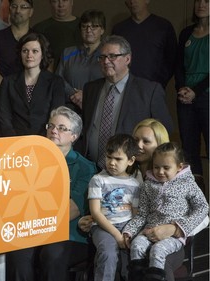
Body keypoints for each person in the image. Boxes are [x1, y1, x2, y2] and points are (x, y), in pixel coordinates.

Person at [78, 118, 188, 281]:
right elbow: (101, 208)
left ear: (160, 145)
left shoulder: (174, 177)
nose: (139, 146)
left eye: (146, 141)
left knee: (156, 261)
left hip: (167, 238)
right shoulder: (123, 174)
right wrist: (88, 218)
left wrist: (174, 228)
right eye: (136, 140)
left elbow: (202, 215)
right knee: (115, 255)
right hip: (129, 230)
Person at [6, 106, 97, 281]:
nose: (54, 131)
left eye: (62, 128)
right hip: (31, 230)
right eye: (51, 126)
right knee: (18, 255)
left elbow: (71, 210)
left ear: (74, 136)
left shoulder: (85, 168)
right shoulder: (30, 160)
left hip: (68, 233)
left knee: (52, 254)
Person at [81, 35, 173, 170]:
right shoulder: (90, 88)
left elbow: (164, 132)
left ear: (127, 59)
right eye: (102, 57)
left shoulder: (149, 91)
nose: (106, 61)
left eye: (112, 56)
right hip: (90, 168)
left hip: (131, 172)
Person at [123, 142, 209, 281]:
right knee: (137, 244)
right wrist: (129, 231)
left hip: (173, 237)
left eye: (166, 167)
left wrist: (180, 227)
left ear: (179, 167)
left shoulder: (187, 183)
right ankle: (136, 276)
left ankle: (155, 278)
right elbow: (142, 214)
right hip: (149, 231)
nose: (160, 171)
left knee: (158, 250)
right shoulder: (148, 185)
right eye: (156, 167)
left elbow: (203, 207)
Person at [88, 134, 140, 281]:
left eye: (118, 159)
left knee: (136, 252)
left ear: (131, 160)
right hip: (102, 226)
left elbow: (135, 214)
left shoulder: (135, 185)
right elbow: (96, 212)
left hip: (127, 226)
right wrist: (117, 236)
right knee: (108, 253)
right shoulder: (98, 180)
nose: (111, 163)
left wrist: (130, 232)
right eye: (109, 157)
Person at [0, 32, 65, 137]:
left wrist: (39, 140)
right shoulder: (8, 81)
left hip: (45, 141)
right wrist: (15, 141)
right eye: (25, 51)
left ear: (43, 54)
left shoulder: (55, 82)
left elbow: (56, 116)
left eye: (35, 51)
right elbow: (3, 117)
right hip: (14, 142)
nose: (29, 55)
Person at [175, 0, 209, 178]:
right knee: (188, 150)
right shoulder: (186, 33)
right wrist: (182, 89)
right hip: (186, 98)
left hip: (206, 96)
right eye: (198, 1)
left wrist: (197, 90)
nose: (201, 4)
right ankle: (196, 197)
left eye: (207, 1)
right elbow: (178, 65)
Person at [112, 0, 177, 88]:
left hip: (154, 88)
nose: (132, 1)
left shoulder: (164, 26)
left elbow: (172, 59)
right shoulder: (119, 29)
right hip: (124, 89)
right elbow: (113, 59)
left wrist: (159, 83)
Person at [0, 0, 34, 113]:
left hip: (31, 102)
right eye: (14, 6)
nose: (18, 10)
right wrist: (9, 91)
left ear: (31, 12)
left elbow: (46, 70)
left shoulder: (38, 39)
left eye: (23, 7)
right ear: (9, 9)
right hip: (0, 100)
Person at [56, 9, 105, 111]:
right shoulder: (67, 52)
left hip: (99, 108)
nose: (88, 30)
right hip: (70, 108)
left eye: (94, 26)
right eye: (84, 26)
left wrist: (86, 96)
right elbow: (58, 79)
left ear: (102, 30)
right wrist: (74, 94)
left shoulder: (108, 55)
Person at [33, 0, 81, 70]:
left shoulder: (85, 27)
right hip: (48, 76)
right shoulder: (40, 28)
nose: (61, 5)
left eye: (64, 0)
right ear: (50, 3)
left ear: (72, 2)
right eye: (55, 1)